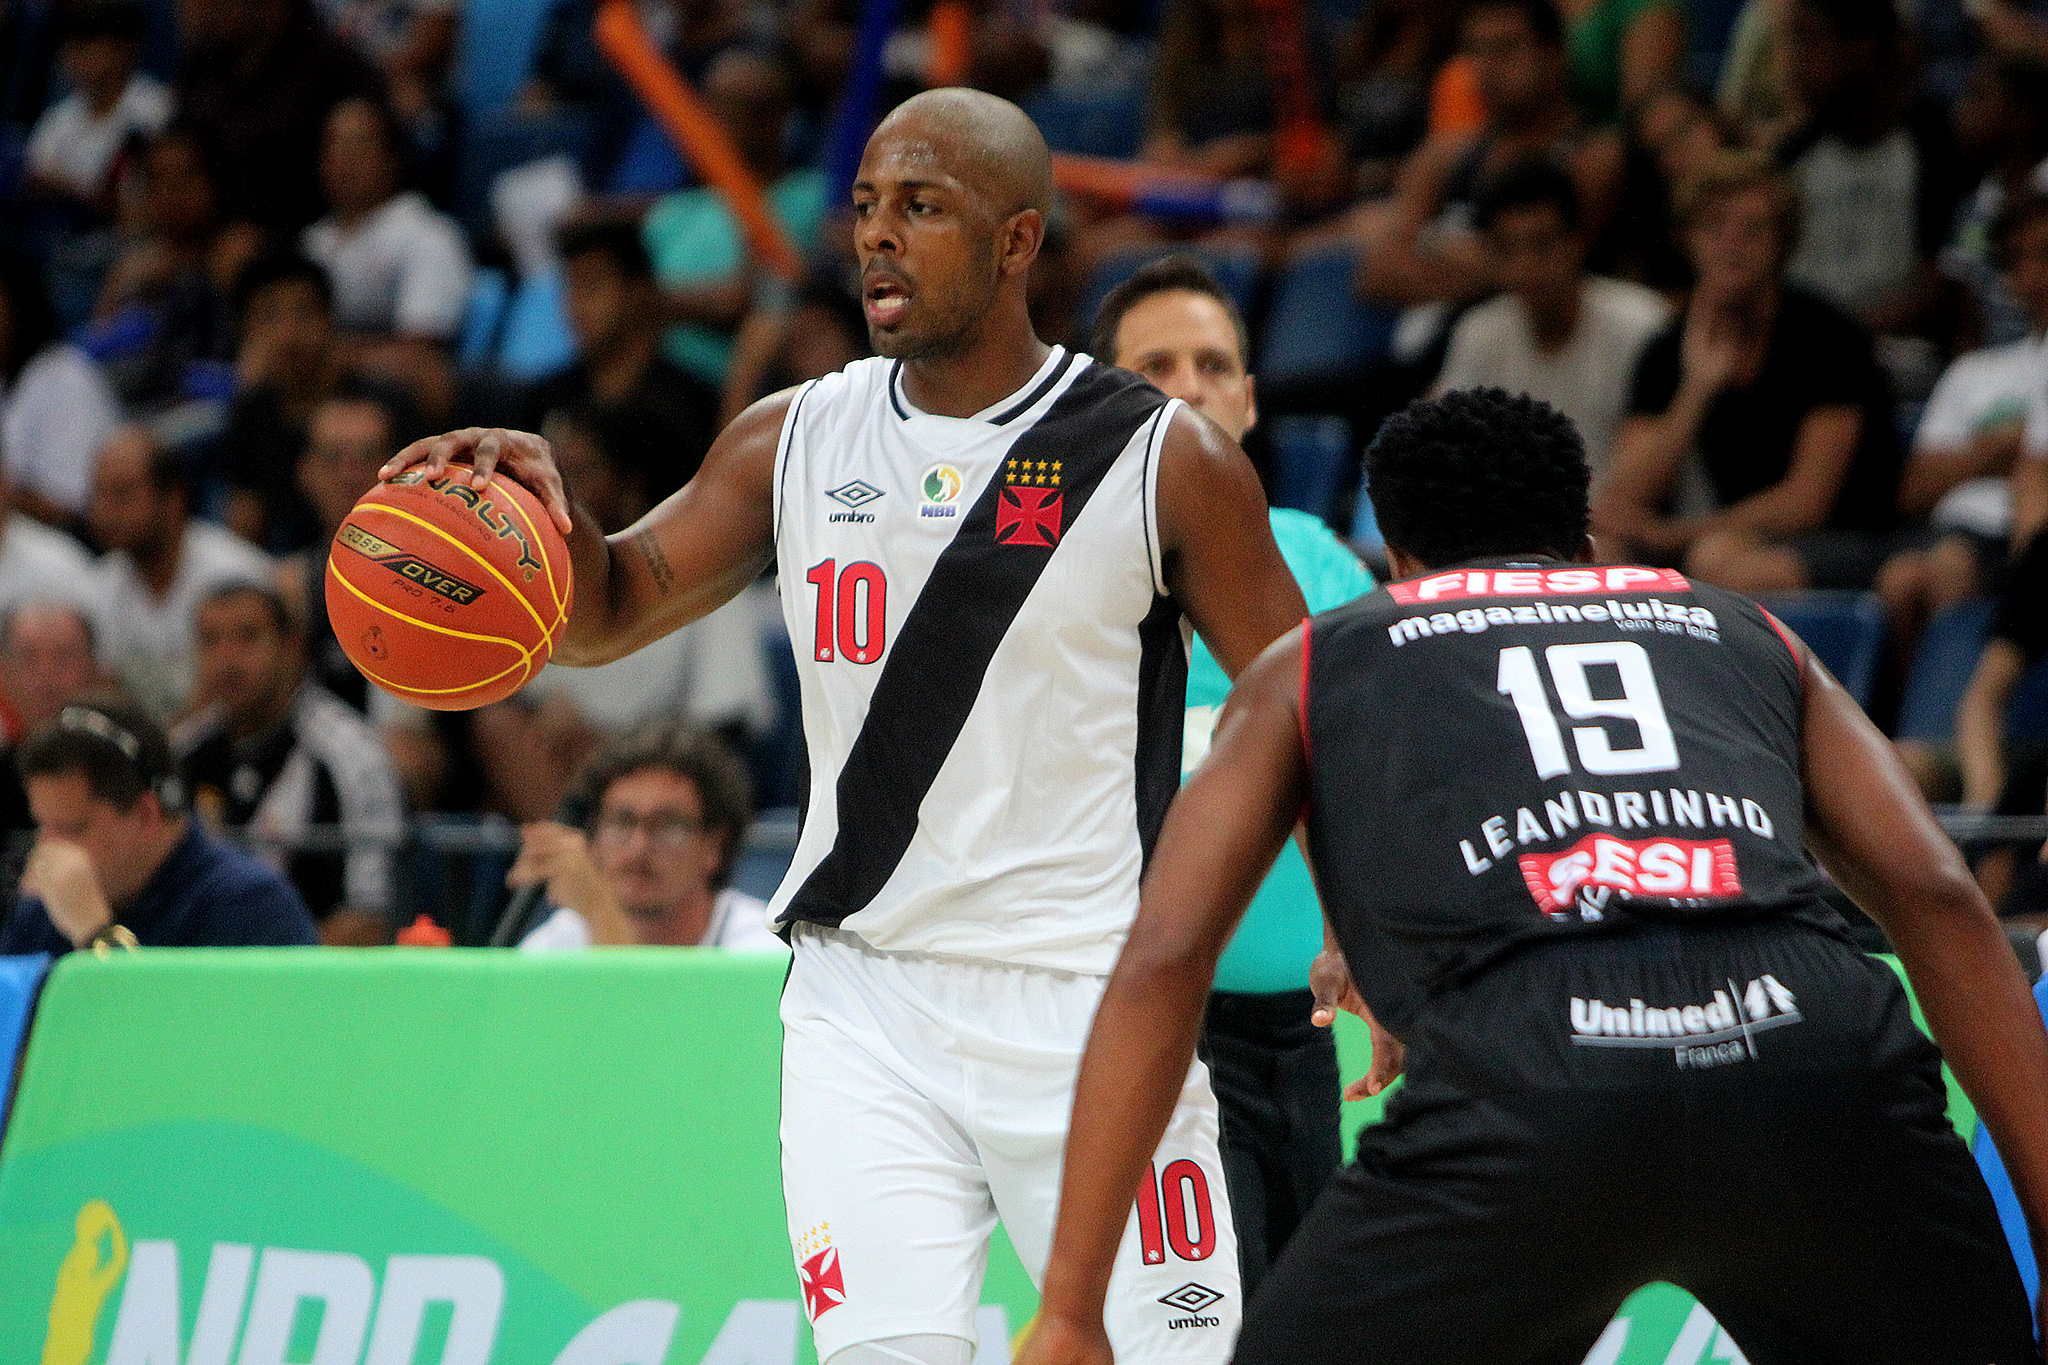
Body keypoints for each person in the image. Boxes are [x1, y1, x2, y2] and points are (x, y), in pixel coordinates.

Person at [384, 87, 1308, 1365]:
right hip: (863, 1005)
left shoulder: (1164, 459)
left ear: (1016, 242)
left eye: (921, 207)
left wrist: (1365, 931)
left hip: (1090, 1005)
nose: (876, 234)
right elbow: (608, 611)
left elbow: (1305, 703)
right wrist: (540, 525)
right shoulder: (792, 436)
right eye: (868, 206)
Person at [1019, 387, 2048, 1365]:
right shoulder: (1744, 628)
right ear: (1585, 543)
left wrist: (1070, 1307)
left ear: (1397, 561)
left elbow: (1166, 953)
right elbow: (1938, 898)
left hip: (1532, 1072)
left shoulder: (1319, 657)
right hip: (1813, 1052)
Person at [1094, 254, 1375, 1291]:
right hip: (1151, 1037)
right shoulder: (1066, 577)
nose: (1189, 389)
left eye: (1213, 365)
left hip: (1308, 1035)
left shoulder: (1321, 563)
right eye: (1156, 366)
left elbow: (1365, 772)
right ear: (1104, 401)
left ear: (1250, 400)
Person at [1599, 153, 1902, 592]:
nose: (1732, 243)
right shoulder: (1667, 348)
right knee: (1603, 555)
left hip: (1845, 537)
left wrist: (1678, 535)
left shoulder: (1830, 337)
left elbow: (1807, 503)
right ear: (1688, 239)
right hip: (1719, 537)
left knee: (1719, 559)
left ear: (1782, 242)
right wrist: (1697, 387)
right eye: (1714, 227)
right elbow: (1627, 497)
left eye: (1753, 229)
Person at [1354, 0, 1623, 322]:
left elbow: (1553, 275)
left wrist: (1435, 251)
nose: (1489, 65)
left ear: (1554, 55)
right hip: (1441, 347)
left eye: (1507, 47)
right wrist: (1496, 268)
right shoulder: (1444, 155)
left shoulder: (1595, 156)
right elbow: (1376, 273)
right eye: (1477, 51)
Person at [176, 581, 405, 945]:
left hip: (311, 972)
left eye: (247, 637)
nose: (227, 659)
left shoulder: (352, 756)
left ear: (291, 647)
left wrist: (263, 973)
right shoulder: (182, 755)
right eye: (210, 641)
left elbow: (369, 920)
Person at [4, 694, 319, 953]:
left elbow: (157, 1013)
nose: (49, 849)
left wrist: (96, 935)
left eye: (72, 828)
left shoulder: (251, 908)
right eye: (42, 826)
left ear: (145, 815)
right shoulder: (46, 909)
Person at [1433, 157, 1667, 476]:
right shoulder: (1478, 332)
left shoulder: (1644, 325)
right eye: (1508, 250)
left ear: (1578, 241)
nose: (1525, 267)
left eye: (1542, 245)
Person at [643, 48, 828, 393]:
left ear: (782, 115)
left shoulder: (815, 198)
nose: (726, 119)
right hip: (654, 382)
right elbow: (631, 303)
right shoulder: (672, 213)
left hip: (749, 387)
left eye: (748, 107)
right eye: (716, 104)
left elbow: (755, 298)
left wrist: (662, 303)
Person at [513, 722, 781, 950]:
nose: (638, 847)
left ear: (714, 846)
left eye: (667, 826)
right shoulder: (559, 941)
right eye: (622, 822)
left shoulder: (766, 949)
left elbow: (647, 999)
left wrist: (602, 915)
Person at [517, 216, 719, 509]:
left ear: (638, 291)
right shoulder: (545, 398)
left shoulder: (688, 404)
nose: (575, 304)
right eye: (570, 287)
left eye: (592, 285)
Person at [87, 426, 275, 721]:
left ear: (173, 499)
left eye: (122, 494)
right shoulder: (97, 587)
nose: (104, 512)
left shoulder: (240, 574)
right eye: (98, 494)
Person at [301, 95, 470, 415]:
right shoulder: (312, 242)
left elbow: (421, 357)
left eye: (358, 145)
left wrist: (328, 357)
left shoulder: (428, 234)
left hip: (388, 400)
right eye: (333, 146)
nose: (344, 159)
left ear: (393, 157)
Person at [216, 250, 348, 552]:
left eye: (304, 313)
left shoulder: (379, 403)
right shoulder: (249, 416)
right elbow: (244, 534)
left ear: (329, 320)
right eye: (269, 316)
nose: (289, 334)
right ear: (246, 332)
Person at [0, 254, 121, 532]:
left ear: (18, 306)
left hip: (75, 543)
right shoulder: (8, 381)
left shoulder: (64, 375)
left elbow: (69, 507)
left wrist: (9, 498)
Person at [23, 0, 173, 213]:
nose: (77, 59)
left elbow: (133, 198)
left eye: (88, 46)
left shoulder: (154, 108)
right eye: (72, 48)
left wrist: (70, 188)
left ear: (126, 48)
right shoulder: (60, 115)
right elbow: (35, 176)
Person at [0, 602, 106, 846]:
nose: (45, 673)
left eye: (63, 656)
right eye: (28, 658)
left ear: (96, 670)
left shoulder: (127, 778)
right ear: (3, 674)